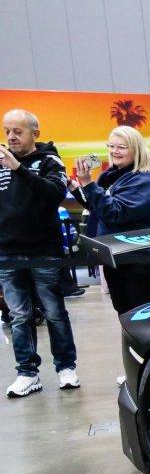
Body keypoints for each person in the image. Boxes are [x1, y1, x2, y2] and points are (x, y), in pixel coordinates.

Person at [0, 109, 78, 397]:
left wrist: (19, 169)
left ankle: (66, 367)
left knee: (54, 312)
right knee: (19, 315)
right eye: (7, 131)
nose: (11, 136)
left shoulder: (49, 161)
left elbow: (55, 194)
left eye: (17, 131)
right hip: (7, 251)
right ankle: (27, 372)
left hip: (43, 250)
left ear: (35, 133)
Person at [73, 126, 150, 314]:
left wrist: (89, 184)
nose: (114, 151)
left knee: (142, 316)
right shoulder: (112, 176)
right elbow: (99, 209)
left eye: (121, 147)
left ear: (136, 149)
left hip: (145, 261)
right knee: (125, 312)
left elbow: (115, 212)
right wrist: (78, 188)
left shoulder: (144, 180)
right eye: (111, 146)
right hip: (120, 258)